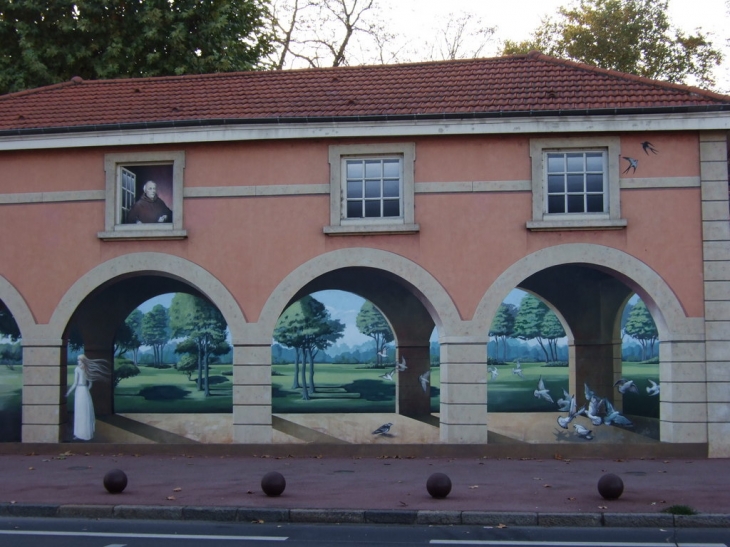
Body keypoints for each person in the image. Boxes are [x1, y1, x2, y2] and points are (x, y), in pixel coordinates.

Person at [66, 355, 109, 441]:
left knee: (81, 412)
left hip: (80, 390)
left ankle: (80, 434)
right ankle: (84, 434)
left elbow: (75, 383)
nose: (78, 362)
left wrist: (68, 392)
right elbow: (90, 384)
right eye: (78, 360)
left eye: (79, 360)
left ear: (82, 361)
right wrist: (86, 390)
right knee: (83, 412)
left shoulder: (78, 369)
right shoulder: (85, 369)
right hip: (84, 391)